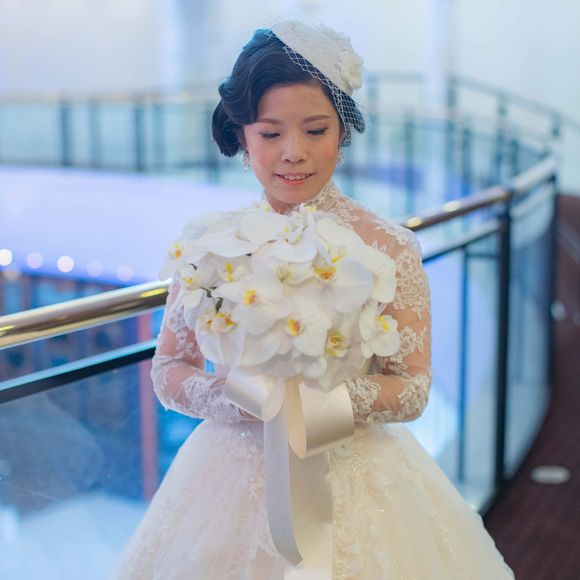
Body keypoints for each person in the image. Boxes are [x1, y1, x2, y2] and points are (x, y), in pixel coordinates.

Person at [113, 21, 515, 579]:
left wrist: (315, 408)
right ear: (242, 136)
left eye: (316, 130)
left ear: (342, 131)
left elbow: (412, 386)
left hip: (354, 470)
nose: (293, 153)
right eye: (270, 133)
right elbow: (169, 369)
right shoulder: (210, 245)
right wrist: (245, 400)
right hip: (229, 472)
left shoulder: (389, 247)